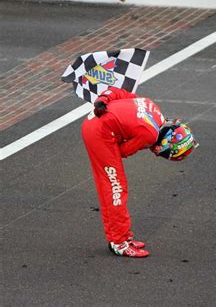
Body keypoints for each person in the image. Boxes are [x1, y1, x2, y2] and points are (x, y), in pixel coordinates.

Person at [81, 86, 197, 258]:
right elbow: (122, 152)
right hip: (100, 134)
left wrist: (103, 99)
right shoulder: (150, 135)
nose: (159, 153)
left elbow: (118, 92)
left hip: (98, 123)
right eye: (165, 152)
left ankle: (119, 238)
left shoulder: (152, 107)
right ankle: (119, 243)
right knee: (115, 188)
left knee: (115, 187)